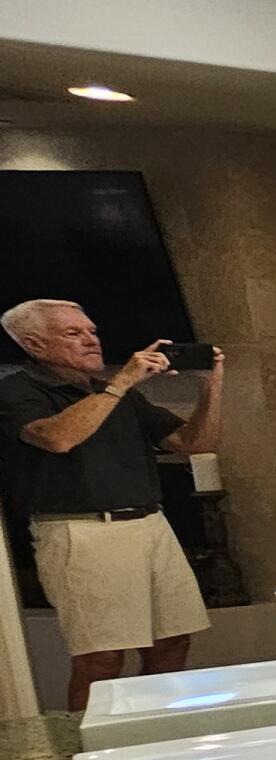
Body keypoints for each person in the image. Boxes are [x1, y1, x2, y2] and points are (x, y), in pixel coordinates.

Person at [0, 300, 221, 710]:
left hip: (150, 524)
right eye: (73, 333)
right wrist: (121, 383)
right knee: (101, 657)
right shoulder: (16, 391)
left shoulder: (111, 392)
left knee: (172, 643)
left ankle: (155, 733)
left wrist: (211, 384)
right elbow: (58, 437)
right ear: (34, 344)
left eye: (92, 331)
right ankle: (92, 755)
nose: (90, 341)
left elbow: (196, 445)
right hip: (82, 530)